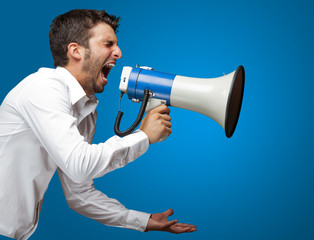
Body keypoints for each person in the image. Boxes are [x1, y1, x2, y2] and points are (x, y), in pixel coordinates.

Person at [0, 9, 196, 239]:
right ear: (76, 51)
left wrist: (143, 221)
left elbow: (79, 192)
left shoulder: (86, 109)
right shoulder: (44, 88)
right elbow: (80, 164)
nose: (119, 53)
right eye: (108, 43)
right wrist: (143, 136)